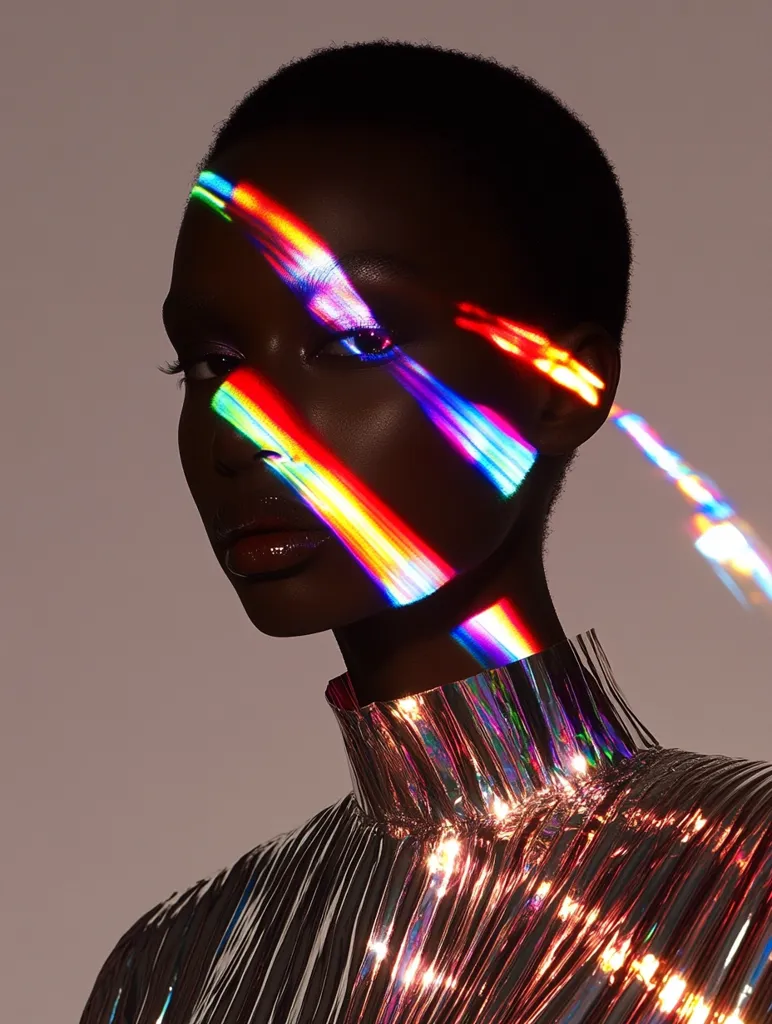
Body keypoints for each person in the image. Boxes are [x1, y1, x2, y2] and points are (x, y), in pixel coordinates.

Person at [79, 40, 772, 1024]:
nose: (244, 426)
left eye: (354, 338)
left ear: (560, 383)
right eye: (208, 361)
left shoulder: (751, 886)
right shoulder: (172, 968)